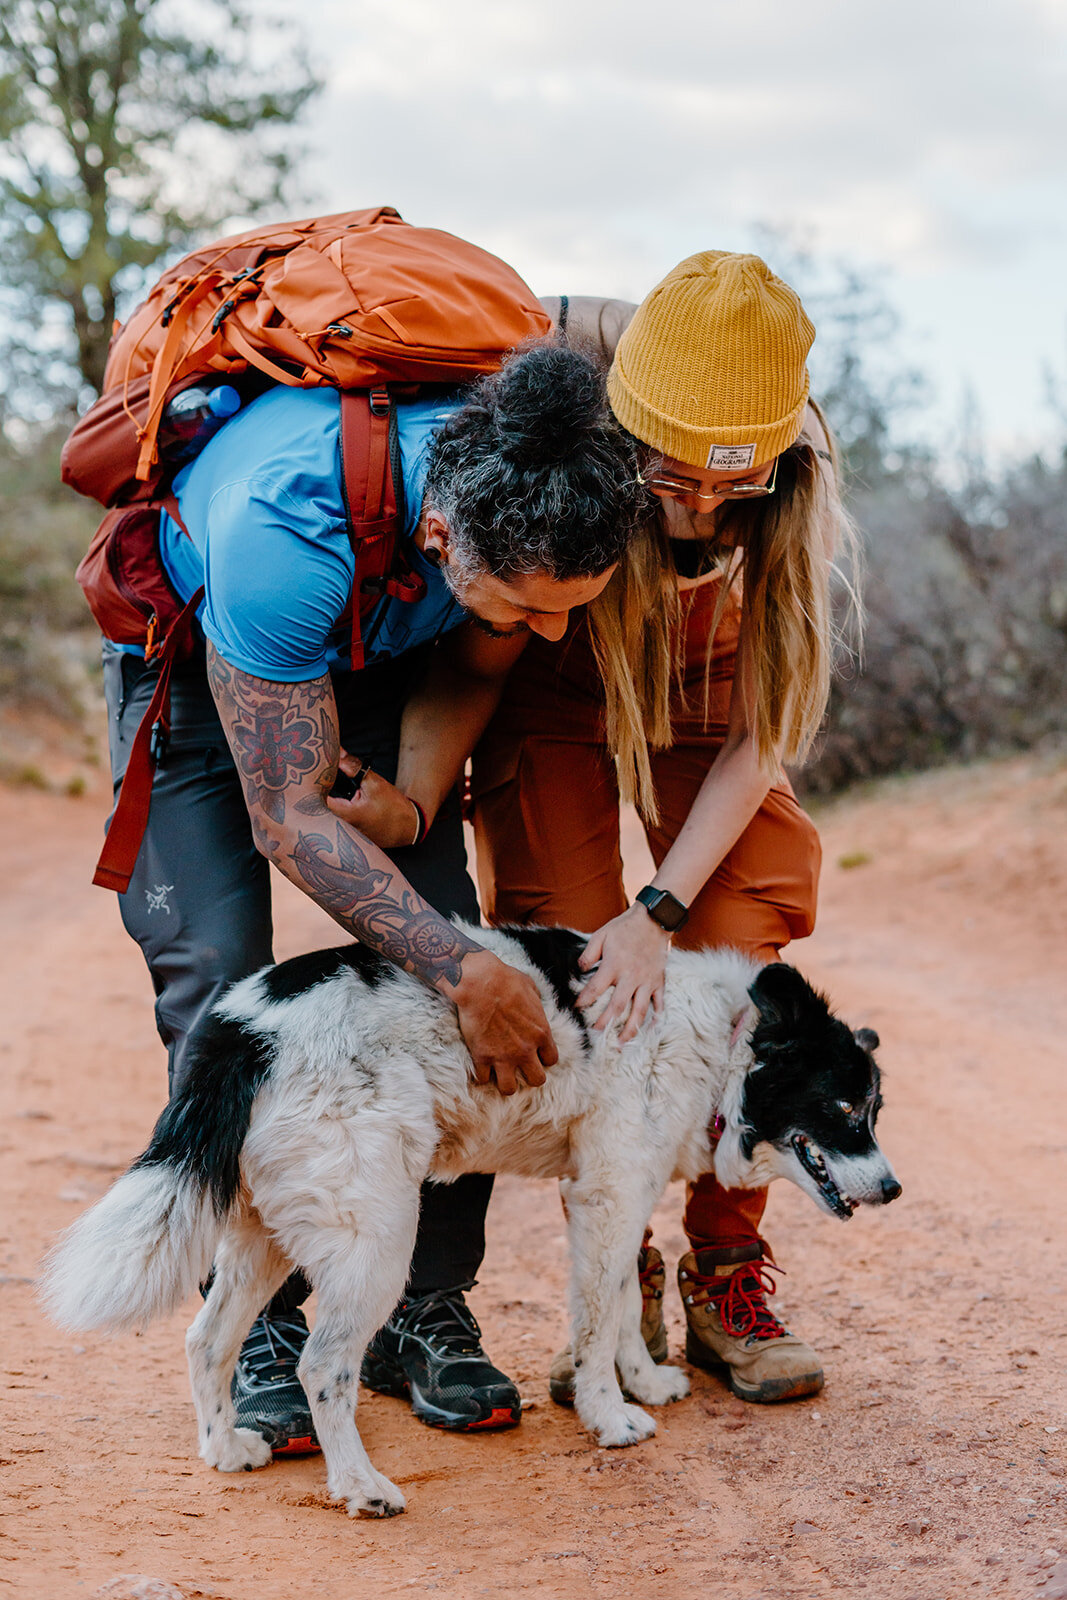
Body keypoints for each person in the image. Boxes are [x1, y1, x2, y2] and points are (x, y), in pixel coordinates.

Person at [101, 342, 644, 1448]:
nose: (551, 632)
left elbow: (479, 661)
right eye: (529, 607)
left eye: (568, 611)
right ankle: (252, 1313)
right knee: (219, 968)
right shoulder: (281, 527)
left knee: (444, 987)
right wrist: (463, 971)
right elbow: (285, 815)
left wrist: (414, 805)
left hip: (383, 647)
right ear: (444, 537)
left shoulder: (509, 524)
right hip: (218, 673)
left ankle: (420, 1302)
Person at [471, 252, 854, 1406]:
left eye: (723, 489)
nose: (692, 508)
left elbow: (761, 737)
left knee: (740, 945)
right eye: (668, 479)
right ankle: (615, 1269)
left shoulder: (793, 462)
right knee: (580, 967)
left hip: (707, 687)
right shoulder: (556, 393)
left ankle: (725, 1264)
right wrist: (615, 934)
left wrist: (661, 911)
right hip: (559, 667)